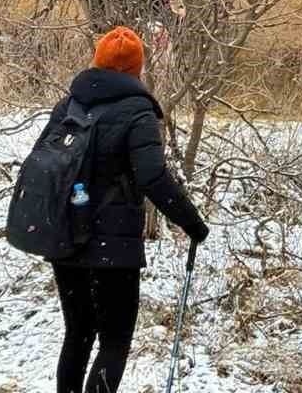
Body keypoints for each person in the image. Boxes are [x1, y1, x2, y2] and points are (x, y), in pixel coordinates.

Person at [37, 26, 208, 393]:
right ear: (137, 70)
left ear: (96, 61)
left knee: (78, 334)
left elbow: (42, 164)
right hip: (113, 249)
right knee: (114, 341)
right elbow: (152, 177)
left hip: (66, 238)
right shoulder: (137, 111)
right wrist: (192, 223)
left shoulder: (69, 105)